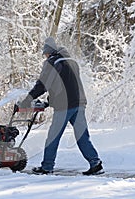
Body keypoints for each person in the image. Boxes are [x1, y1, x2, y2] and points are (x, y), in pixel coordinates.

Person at [19, 37, 103, 175]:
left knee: (53, 137)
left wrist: (27, 100)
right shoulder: (72, 62)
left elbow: (42, 85)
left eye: (45, 54)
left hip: (65, 107)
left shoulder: (52, 62)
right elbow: (66, 85)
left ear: (49, 52)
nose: (45, 56)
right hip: (79, 104)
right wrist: (50, 101)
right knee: (82, 136)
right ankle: (96, 163)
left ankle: (47, 167)